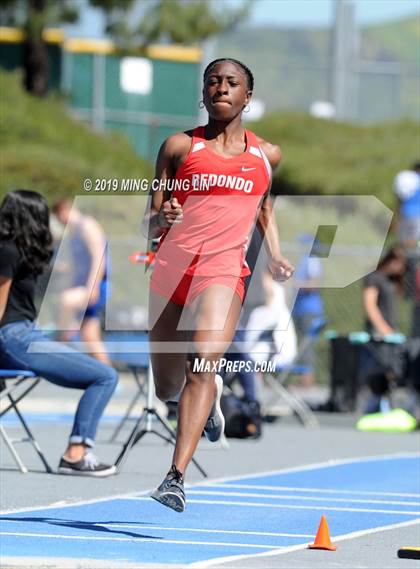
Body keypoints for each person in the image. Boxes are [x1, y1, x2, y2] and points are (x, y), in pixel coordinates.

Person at [142, 58, 294, 512]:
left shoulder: (266, 155)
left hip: (223, 271)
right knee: (166, 388)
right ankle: (208, 404)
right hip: (171, 270)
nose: (221, 88)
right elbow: (149, 222)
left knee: (202, 363)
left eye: (232, 83)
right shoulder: (178, 148)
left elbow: (264, 208)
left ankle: (175, 477)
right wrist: (161, 218)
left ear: (248, 96)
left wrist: (276, 254)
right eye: (213, 82)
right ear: (203, 94)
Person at [0, 190, 118, 476]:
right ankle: (75, 454)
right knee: (105, 376)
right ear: (33, 217)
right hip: (14, 337)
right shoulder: (8, 251)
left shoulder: (23, 251)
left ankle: (76, 452)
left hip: (25, 335)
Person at [52, 199, 110, 365]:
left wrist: (93, 287)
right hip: (85, 284)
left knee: (66, 300)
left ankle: (60, 341)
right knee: (90, 336)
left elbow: (99, 257)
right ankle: (111, 376)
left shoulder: (87, 225)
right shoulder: (73, 232)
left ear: (63, 210)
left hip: (96, 285)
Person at [361, 245, 407, 413]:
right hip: (379, 334)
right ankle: (375, 406)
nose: (401, 268)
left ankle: (387, 405)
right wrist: (383, 329)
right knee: (382, 369)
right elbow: (370, 305)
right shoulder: (374, 278)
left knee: (393, 369)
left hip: (390, 333)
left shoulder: (390, 281)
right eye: (399, 263)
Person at [292, 234, 324, 387]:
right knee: (301, 344)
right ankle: (302, 380)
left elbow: (313, 284)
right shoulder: (304, 259)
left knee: (307, 345)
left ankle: (306, 382)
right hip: (300, 309)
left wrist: (295, 284)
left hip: (308, 309)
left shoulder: (312, 260)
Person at [393, 162, 420, 249]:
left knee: (402, 243)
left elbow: (399, 199)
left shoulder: (405, 180)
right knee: (413, 242)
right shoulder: (415, 180)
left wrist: (396, 219)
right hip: (416, 215)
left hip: (404, 214)